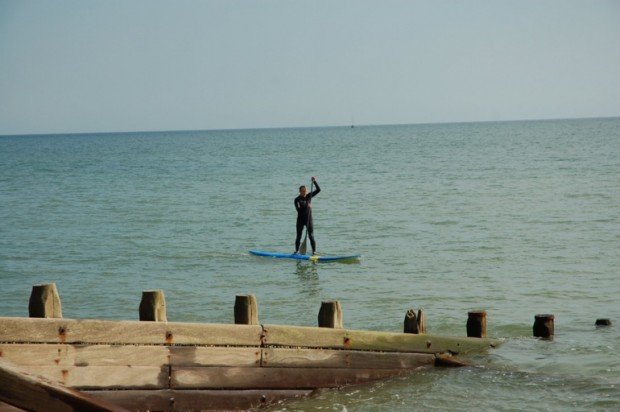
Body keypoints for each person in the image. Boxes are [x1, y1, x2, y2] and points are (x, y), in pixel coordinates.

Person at [294, 176, 320, 254]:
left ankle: (314, 252)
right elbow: (299, 210)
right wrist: (307, 206)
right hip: (300, 220)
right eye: (302, 191)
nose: (304, 192)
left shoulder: (309, 196)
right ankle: (296, 251)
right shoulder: (297, 200)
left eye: (305, 191)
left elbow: (319, 190)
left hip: (309, 219)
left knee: (311, 236)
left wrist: (314, 182)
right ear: (300, 191)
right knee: (299, 236)